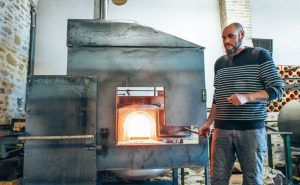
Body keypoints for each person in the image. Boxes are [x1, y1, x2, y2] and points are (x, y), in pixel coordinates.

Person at [199, 23, 284, 185]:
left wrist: (247, 97)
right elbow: (218, 96)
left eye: (230, 36)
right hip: (221, 130)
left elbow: (278, 89)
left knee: (252, 179)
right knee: (217, 179)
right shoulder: (219, 63)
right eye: (223, 37)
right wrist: (209, 122)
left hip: (251, 131)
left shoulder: (260, 55)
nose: (226, 41)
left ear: (242, 34)